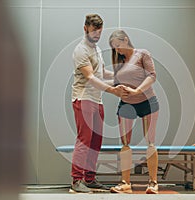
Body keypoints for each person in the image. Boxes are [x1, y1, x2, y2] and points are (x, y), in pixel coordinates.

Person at [71, 14, 125, 193]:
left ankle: (90, 178)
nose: (96, 35)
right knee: (84, 140)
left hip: (97, 100)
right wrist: (113, 90)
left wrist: (120, 76)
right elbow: (91, 78)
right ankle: (76, 180)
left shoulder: (97, 50)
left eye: (99, 32)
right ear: (85, 28)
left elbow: (102, 73)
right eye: (94, 31)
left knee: (95, 142)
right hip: (83, 98)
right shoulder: (81, 50)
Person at [108, 30, 160, 194]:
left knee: (150, 142)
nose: (117, 50)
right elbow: (117, 81)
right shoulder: (120, 61)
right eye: (114, 48)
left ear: (126, 40)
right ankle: (125, 183)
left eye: (118, 46)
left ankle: (153, 183)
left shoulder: (142, 54)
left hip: (147, 102)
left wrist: (137, 90)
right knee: (125, 144)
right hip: (126, 104)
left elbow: (152, 75)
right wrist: (116, 88)